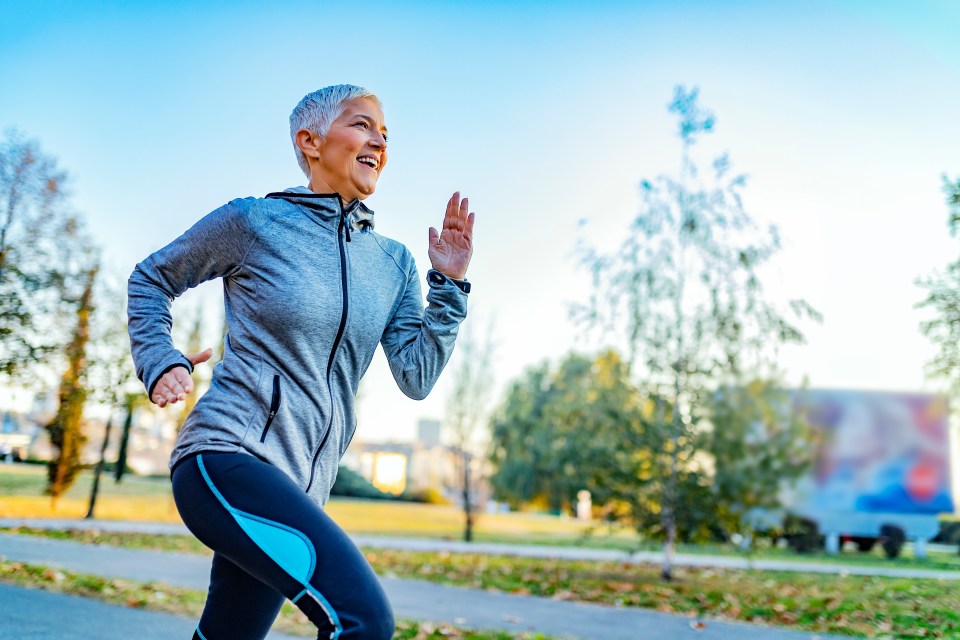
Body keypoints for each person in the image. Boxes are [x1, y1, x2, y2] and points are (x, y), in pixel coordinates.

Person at [127, 84, 474, 640]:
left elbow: (417, 375)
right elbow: (152, 278)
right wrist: (159, 358)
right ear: (310, 141)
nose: (379, 142)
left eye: (385, 135)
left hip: (299, 488)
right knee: (365, 623)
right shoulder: (254, 222)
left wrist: (450, 286)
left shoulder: (393, 263)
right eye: (363, 126)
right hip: (226, 456)